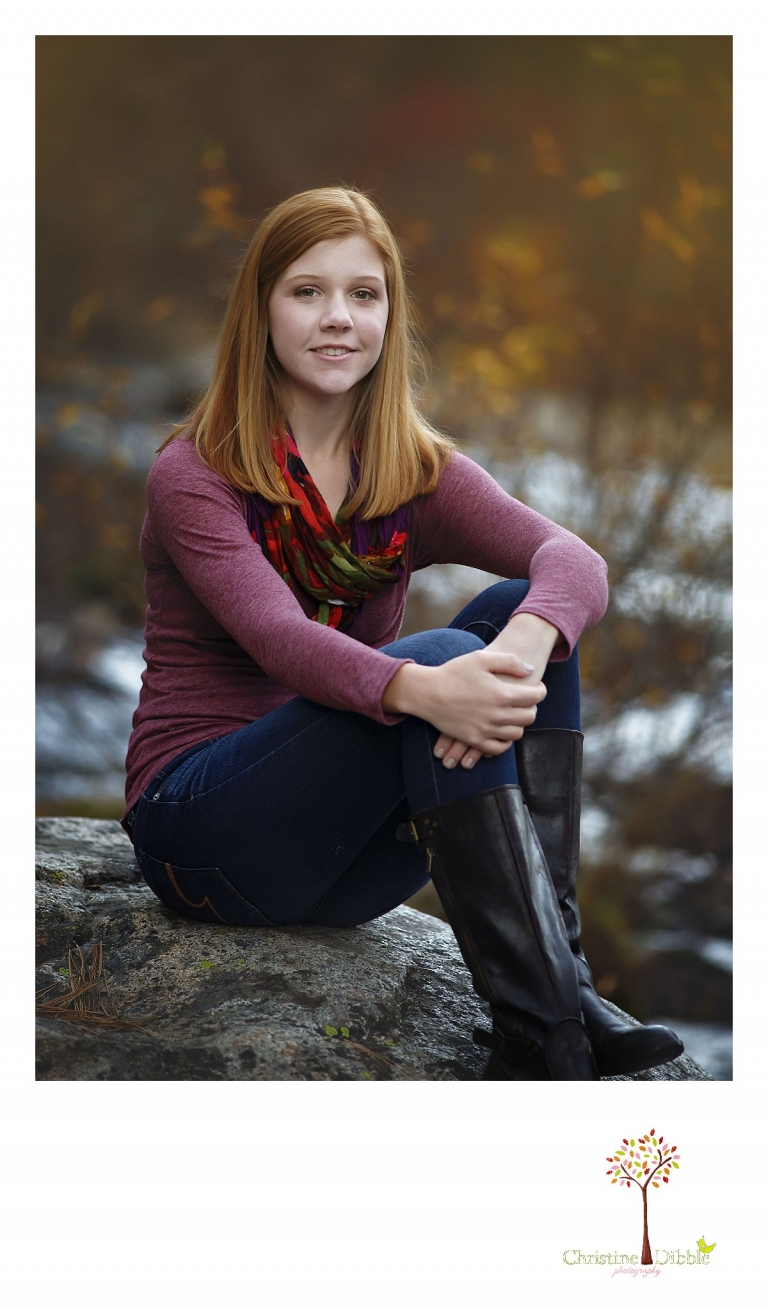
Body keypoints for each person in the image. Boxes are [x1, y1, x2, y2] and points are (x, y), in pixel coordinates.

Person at [124, 185, 683, 1081]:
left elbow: (574, 561)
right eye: (306, 292)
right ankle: (550, 1034)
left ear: (390, 312)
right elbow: (279, 638)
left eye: (364, 294)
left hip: (344, 874)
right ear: (259, 311)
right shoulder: (199, 472)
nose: (337, 318)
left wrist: (529, 642)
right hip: (204, 837)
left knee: (511, 608)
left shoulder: (411, 471)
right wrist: (431, 688)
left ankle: (556, 990)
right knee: (443, 656)